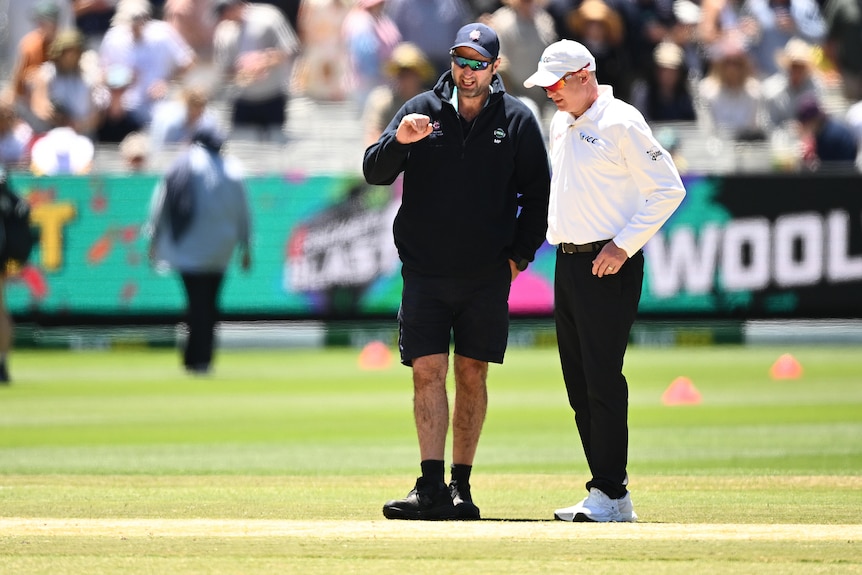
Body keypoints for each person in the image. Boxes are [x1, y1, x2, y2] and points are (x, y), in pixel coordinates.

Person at [363, 22, 551, 520]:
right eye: (459, 61)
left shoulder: (517, 119)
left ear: (494, 68)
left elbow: (538, 198)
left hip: (486, 275)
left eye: (477, 63)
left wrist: (518, 258)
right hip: (425, 272)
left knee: (472, 373)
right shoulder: (419, 110)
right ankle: (429, 488)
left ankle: (461, 488)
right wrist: (399, 142)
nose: (466, 72)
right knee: (427, 372)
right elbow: (374, 171)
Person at [523, 39, 685, 522]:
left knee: (602, 380)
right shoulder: (560, 121)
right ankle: (608, 493)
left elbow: (667, 189)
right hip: (569, 263)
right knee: (578, 383)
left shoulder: (622, 121)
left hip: (608, 263)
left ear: (585, 76)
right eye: (546, 84)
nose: (550, 92)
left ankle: (612, 492)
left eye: (556, 83)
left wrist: (623, 245)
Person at [144, 127, 252, 374]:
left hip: (190, 250)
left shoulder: (184, 164)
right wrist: (245, 246)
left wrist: (153, 238)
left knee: (196, 304)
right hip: (221, 250)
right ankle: (202, 357)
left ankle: (194, 358)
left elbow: (160, 203)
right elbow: (244, 213)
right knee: (209, 305)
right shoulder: (233, 169)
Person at [213, 0, 300, 142]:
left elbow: (290, 50)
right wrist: (241, 71)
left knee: (275, 146)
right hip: (242, 98)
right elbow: (224, 69)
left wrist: (263, 61)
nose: (225, 16)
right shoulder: (224, 30)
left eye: (226, 10)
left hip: (272, 95)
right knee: (243, 147)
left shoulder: (268, 17)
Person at [361, 42, 435, 147]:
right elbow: (373, 138)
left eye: (411, 72)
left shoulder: (430, 103)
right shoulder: (381, 101)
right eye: (402, 72)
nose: (406, 78)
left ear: (420, 75)